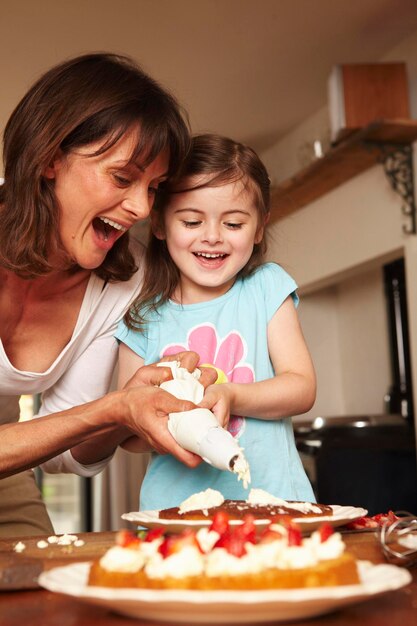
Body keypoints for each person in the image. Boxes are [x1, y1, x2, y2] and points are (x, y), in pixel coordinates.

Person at [0, 53, 217, 537]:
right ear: (48, 157)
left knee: (43, 584)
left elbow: (65, 454)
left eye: (154, 187)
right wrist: (112, 408)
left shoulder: (126, 276)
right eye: (122, 177)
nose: (141, 208)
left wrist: (133, 404)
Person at [116, 133, 317, 512]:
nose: (212, 237)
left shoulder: (266, 288)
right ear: (159, 224)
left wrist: (232, 395)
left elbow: (302, 388)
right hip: (177, 512)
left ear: (259, 229)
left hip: (275, 504)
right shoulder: (140, 318)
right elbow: (130, 437)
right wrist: (173, 413)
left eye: (234, 224)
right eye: (192, 221)